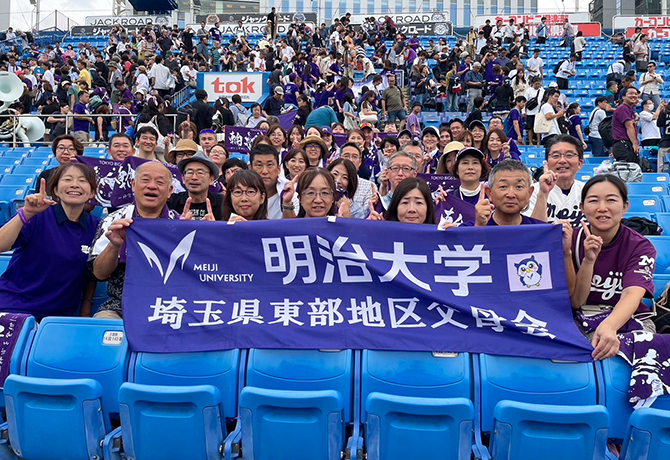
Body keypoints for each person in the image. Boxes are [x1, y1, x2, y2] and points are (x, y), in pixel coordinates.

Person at [568, 175, 657, 360]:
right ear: (582, 208)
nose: (602, 208)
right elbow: (576, 302)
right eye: (593, 200)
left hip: (627, 319)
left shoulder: (640, 246)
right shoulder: (570, 242)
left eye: (611, 200)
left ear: (625, 206)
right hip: (580, 318)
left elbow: (632, 293)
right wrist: (588, 260)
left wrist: (610, 326)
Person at [0, 165, 99, 319]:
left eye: (82, 180)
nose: (74, 184)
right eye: (67, 179)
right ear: (56, 190)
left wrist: (86, 306)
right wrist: (25, 213)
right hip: (13, 307)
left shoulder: (97, 228)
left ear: (92, 192)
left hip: (57, 318)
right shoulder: (37, 216)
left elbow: (93, 274)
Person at [89, 162, 179, 319]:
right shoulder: (113, 221)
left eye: (159, 182)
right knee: (103, 322)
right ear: (133, 185)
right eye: (145, 180)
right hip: (122, 305)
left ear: (170, 191)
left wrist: (205, 235)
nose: (152, 186)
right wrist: (114, 245)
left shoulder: (180, 223)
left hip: (171, 305)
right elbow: (99, 273)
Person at [462, 160, 545, 227]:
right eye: (503, 187)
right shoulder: (467, 230)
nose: (511, 194)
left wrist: (558, 232)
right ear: (489, 193)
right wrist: (479, 227)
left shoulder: (540, 231)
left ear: (529, 193)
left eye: (519, 187)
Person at [526, 134, 585, 228]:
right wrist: (543, 194)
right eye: (556, 155)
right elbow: (532, 232)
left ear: (580, 163)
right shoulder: (532, 191)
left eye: (569, 155)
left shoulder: (588, 191)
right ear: (547, 163)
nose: (562, 160)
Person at [167, 152, 223, 221]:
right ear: (183, 178)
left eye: (200, 173)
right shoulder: (171, 202)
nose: (194, 177)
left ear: (211, 179)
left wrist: (213, 227)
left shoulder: (223, 204)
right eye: (190, 172)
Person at [249, 144, 298, 219]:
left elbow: (293, 227)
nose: (265, 171)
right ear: (251, 169)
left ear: (278, 169)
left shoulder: (290, 192)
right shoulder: (243, 193)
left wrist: (287, 203)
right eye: (259, 165)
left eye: (269, 165)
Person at [612, 87, 640, 162]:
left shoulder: (628, 109)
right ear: (624, 97)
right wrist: (635, 143)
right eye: (630, 93)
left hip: (625, 145)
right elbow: (629, 127)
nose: (634, 95)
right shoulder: (623, 108)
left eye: (636, 94)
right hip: (623, 145)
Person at [524, 77, 544, 146]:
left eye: (539, 84)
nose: (538, 85)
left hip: (539, 112)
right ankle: (530, 142)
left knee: (538, 128)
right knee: (530, 128)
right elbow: (525, 102)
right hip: (530, 112)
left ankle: (538, 141)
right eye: (536, 84)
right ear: (532, 84)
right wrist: (524, 112)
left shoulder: (542, 90)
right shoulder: (528, 91)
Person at [657, 100, 670, 172]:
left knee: (661, 167)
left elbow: (659, 124)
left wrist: (663, 111)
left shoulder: (664, 111)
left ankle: (660, 181)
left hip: (665, 142)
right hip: (665, 142)